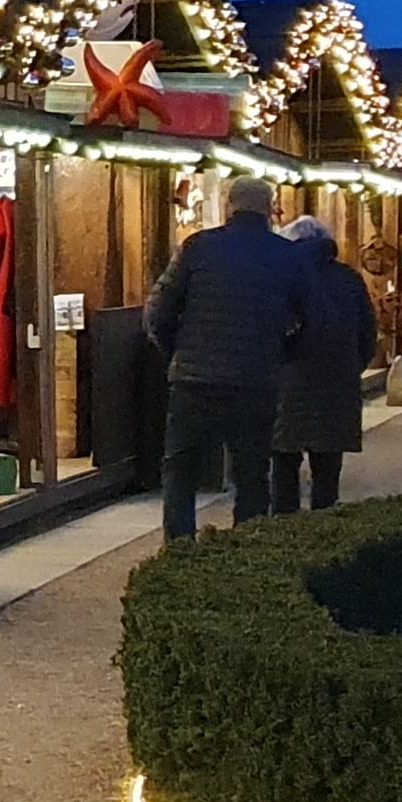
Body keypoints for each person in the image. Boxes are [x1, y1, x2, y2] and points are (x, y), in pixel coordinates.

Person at [144, 175, 310, 540]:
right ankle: (244, 552)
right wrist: (281, 355)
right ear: (269, 209)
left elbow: (157, 311)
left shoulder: (199, 247)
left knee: (180, 472)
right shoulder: (288, 256)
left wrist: (178, 353)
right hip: (255, 381)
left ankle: (180, 551)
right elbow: (312, 320)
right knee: (252, 473)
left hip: (193, 380)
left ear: (230, 206)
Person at [270, 215, 379, 513]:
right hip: (337, 386)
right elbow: (368, 334)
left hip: (285, 386)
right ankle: (324, 534)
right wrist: (349, 368)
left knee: (283, 470)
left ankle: (284, 535)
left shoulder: (280, 279)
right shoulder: (349, 279)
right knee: (327, 473)